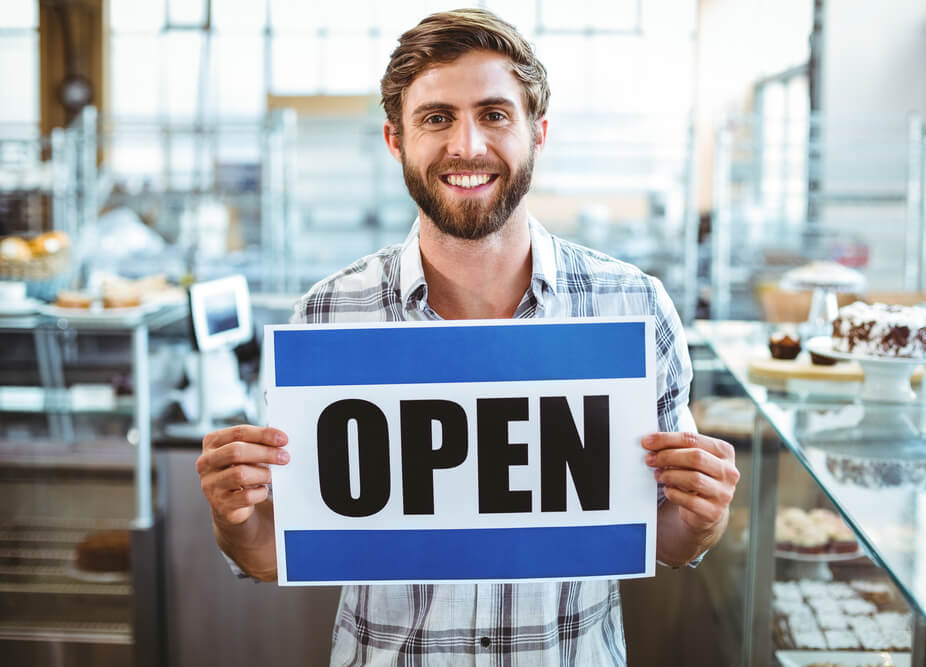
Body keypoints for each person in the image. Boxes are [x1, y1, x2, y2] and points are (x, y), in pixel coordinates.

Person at [196, 9, 740, 665]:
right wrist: (236, 519)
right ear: (396, 140)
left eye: (494, 114)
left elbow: (668, 538)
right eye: (436, 118)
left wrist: (705, 513)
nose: (467, 145)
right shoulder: (328, 315)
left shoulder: (632, 306)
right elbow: (272, 552)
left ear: (537, 132)